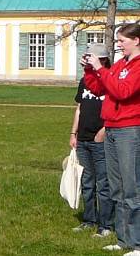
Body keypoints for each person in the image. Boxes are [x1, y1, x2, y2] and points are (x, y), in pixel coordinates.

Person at [83, 23, 140, 256]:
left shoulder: (137, 66)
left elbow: (122, 91)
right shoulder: (120, 64)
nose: (118, 45)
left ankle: (137, 243)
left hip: (130, 129)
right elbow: (99, 89)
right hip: (113, 129)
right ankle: (124, 239)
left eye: (122, 41)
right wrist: (90, 70)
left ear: (136, 40)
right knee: (117, 188)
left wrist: (101, 69)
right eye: (117, 41)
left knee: (132, 189)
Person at [70, 43, 114, 238]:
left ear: (102, 59)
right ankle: (89, 220)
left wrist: (104, 131)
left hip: (100, 139)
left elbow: (116, 109)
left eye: (91, 58)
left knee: (103, 184)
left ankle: (106, 225)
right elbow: (79, 108)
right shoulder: (85, 81)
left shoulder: (110, 80)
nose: (86, 61)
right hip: (83, 139)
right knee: (87, 182)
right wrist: (74, 133)